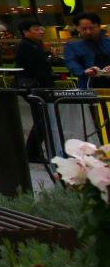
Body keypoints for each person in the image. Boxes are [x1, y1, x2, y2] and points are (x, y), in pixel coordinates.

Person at [16, 20, 58, 163]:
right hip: (36, 87)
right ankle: (32, 153)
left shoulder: (34, 46)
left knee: (42, 120)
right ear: (26, 32)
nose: (41, 31)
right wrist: (47, 87)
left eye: (41, 29)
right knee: (42, 120)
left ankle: (33, 152)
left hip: (40, 86)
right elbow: (37, 70)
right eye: (36, 29)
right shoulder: (26, 46)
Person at [63, 13, 110, 91]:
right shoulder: (72, 46)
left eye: (92, 28)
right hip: (88, 86)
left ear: (99, 26)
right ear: (77, 28)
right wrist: (84, 72)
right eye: (83, 29)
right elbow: (71, 62)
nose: (88, 32)